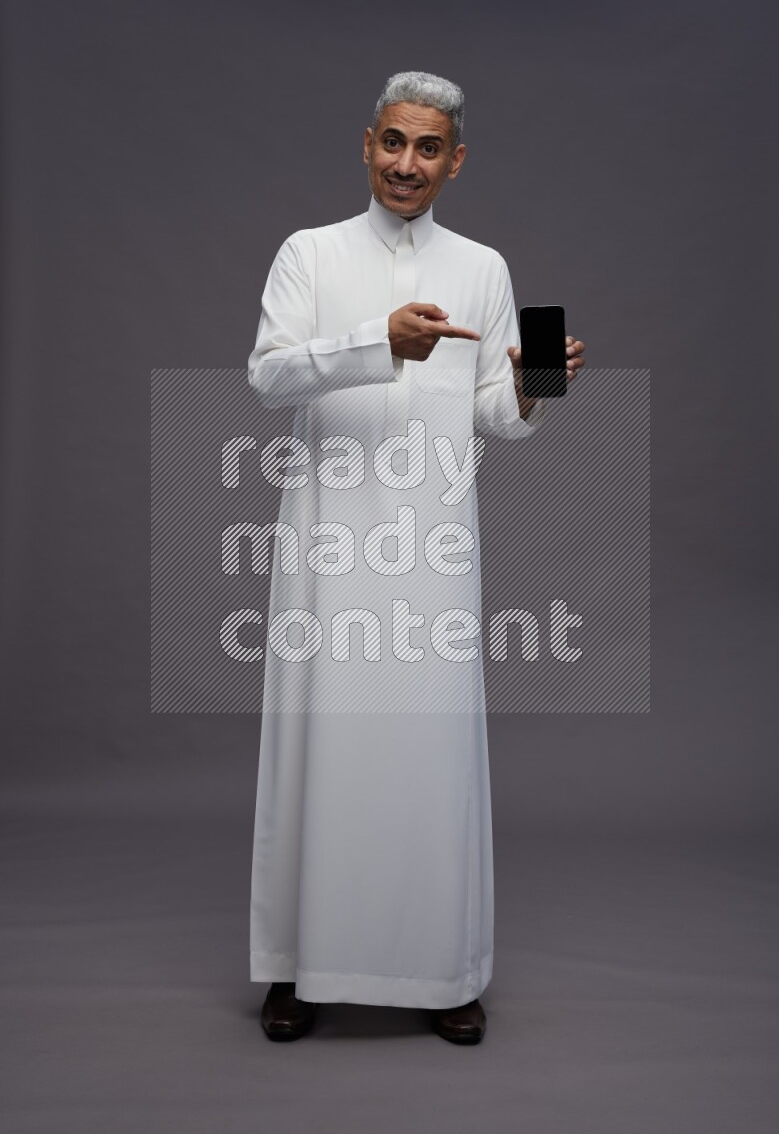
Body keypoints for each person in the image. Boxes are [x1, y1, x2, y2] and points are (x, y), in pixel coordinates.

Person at [247, 70, 585, 1044]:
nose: (406, 164)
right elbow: (269, 374)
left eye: (426, 148)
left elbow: (493, 416)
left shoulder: (481, 266)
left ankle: (444, 972)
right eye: (392, 143)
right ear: (365, 144)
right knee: (315, 747)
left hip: (433, 549)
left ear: (454, 160)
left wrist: (528, 388)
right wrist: (375, 342)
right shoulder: (308, 255)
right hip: (326, 542)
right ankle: (294, 968)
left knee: (428, 756)